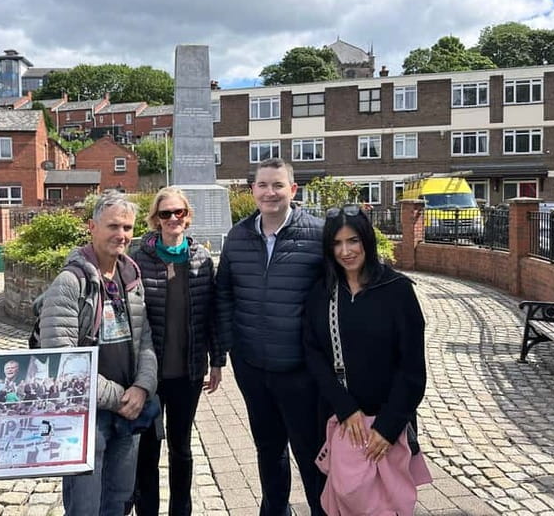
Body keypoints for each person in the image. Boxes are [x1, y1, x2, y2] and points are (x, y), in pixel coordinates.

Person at [215, 158, 324, 515]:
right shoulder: (238, 236)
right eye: (262, 185)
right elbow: (224, 293)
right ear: (253, 190)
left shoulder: (318, 235)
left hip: (300, 370)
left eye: (278, 185)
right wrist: (231, 347)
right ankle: (275, 510)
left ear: (293, 189)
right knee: (268, 448)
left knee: (310, 451)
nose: (270, 192)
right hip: (253, 367)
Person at [38, 191, 157, 515]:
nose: (122, 235)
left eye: (128, 227)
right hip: (86, 415)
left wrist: (143, 387)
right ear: (92, 227)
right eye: (113, 226)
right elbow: (61, 360)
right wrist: (120, 398)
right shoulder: (69, 282)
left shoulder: (131, 276)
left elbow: (145, 340)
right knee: (85, 506)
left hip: (129, 410)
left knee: (119, 501)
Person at [303, 205, 428, 513]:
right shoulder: (322, 293)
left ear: (367, 241)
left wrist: (388, 427)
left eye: (353, 241)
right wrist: (344, 407)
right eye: (337, 243)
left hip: (386, 425)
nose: (345, 251)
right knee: (338, 502)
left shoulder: (397, 291)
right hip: (340, 421)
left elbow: (412, 369)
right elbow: (313, 353)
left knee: (385, 505)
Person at [130, 186, 227, 516]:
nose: (172, 218)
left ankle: (180, 510)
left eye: (178, 212)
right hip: (149, 374)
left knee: (181, 448)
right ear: (155, 219)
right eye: (165, 213)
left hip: (188, 371)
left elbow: (212, 314)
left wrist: (217, 361)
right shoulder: (138, 259)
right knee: (147, 449)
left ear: (187, 217)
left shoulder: (201, 259)